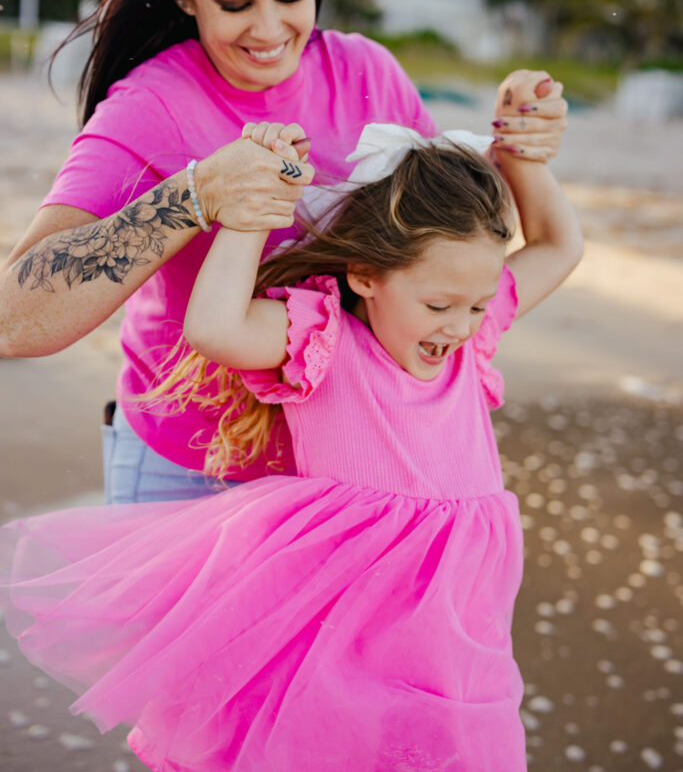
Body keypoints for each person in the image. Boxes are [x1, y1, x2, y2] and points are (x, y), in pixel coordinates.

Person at [0, 0, 568, 504]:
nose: (269, 30)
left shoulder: (367, 73)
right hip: (185, 472)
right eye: (235, 3)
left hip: (346, 472)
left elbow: (446, 243)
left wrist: (518, 145)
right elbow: (13, 318)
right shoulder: (149, 107)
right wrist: (196, 195)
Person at [0, 99, 583, 771]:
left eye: (477, 305)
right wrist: (250, 213)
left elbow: (560, 246)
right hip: (335, 623)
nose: (460, 325)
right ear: (365, 276)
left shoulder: (469, 340)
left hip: (449, 639)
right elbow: (214, 327)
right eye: (438, 305)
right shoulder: (323, 338)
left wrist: (525, 158)